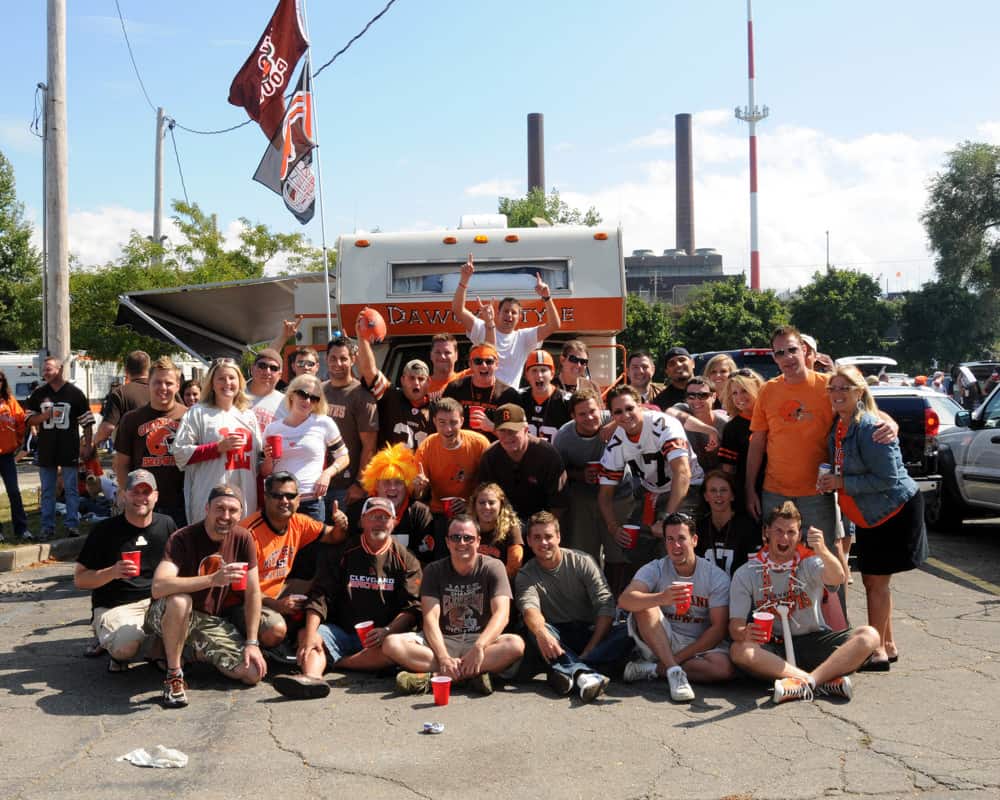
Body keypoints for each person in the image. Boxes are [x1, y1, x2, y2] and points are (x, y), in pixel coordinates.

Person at [745, 326, 897, 552]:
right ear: (774, 358)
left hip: (817, 493)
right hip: (774, 491)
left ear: (804, 350)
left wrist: (891, 424)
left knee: (825, 560)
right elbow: (757, 443)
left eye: (791, 350)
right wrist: (750, 489)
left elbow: (862, 408)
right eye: (779, 353)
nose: (787, 357)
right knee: (779, 560)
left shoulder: (827, 385)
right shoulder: (768, 391)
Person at [818, 366, 929, 669]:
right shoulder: (838, 426)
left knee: (875, 583)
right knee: (874, 583)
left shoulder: (869, 426)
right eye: (833, 388)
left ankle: (877, 651)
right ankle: (887, 644)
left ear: (859, 392)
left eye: (845, 388)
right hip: (869, 515)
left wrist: (842, 484)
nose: (838, 394)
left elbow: (889, 479)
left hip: (891, 511)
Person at [272, 496, 423, 699]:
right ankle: (311, 679)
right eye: (373, 517)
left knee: (394, 650)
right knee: (309, 636)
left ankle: (338, 662)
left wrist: (387, 630)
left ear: (394, 523)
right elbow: (320, 595)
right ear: (361, 522)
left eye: (384, 518)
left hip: (381, 638)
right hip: (341, 631)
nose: (379, 522)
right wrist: (308, 636)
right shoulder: (342, 552)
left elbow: (412, 608)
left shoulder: (407, 560)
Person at [728, 502, 878, 704]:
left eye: (791, 532)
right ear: (766, 532)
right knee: (739, 650)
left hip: (814, 640)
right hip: (773, 648)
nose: (784, 538)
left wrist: (823, 549)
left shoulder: (809, 563)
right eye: (778, 531)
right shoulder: (746, 572)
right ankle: (822, 681)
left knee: (870, 636)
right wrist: (744, 632)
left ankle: (807, 681)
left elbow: (837, 577)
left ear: (799, 536)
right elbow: (735, 626)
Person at [147, 485, 268, 708]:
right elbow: (158, 587)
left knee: (252, 673)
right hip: (169, 611)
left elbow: (253, 592)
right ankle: (174, 675)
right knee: (180, 600)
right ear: (206, 509)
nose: (225, 516)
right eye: (219, 509)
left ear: (241, 513)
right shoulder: (182, 538)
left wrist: (252, 642)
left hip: (207, 620)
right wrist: (212, 579)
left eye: (233, 510)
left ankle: (188, 649)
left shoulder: (243, 538)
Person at [383, 515, 526, 695]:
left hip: (480, 639)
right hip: (443, 640)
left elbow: (502, 614)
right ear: (447, 542)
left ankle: (433, 679)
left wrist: (479, 647)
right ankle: (470, 676)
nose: (462, 542)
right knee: (391, 644)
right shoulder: (434, 570)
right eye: (456, 537)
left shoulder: (493, 567)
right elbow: (430, 618)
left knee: (515, 645)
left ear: (478, 541)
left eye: (468, 538)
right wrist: (443, 657)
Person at [516, 512, 632, 702]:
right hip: (558, 637)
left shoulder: (582, 561)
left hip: (590, 631)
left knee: (630, 627)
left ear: (559, 537)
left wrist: (590, 649)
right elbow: (530, 610)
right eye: (537, 537)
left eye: (548, 536)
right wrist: (542, 634)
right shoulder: (526, 575)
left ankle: (568, 670)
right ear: (528, 540)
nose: (543, 543)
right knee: (535, 631)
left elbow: (605, 604)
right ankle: (587, 673)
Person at [619, 513, 734, 701]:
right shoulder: (656, 568)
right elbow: (625, 600)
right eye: (670, 539)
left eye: (682, 538)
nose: (676, 546)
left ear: (694, 540)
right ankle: (674, 673)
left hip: (697, 644)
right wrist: (662, 598)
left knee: (723, 669)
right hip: (662, 636)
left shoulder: (716, 577)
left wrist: (678, 658)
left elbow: (718, 629)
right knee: (645, 604)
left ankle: (655, 669)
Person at [240, 472, 349, 664]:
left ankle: (301, 637)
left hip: (277, 591)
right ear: (265, 498)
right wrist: (277, 605)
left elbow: (334, 537)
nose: (284, 501)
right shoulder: (247, 533)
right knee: (275, 630)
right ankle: (261, 646)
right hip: (245, 601)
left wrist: (341, 524)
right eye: (277, 495)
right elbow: (240, 589)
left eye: (290, 496)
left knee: (316, 582)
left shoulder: (298, 522)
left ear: (299, 499)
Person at [74, 469, 176, 671]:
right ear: (123, 495)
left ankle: (158, 650)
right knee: (125, 648)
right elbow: (79, 579)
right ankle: (120, 647)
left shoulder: (167, 524)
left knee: (184, 609)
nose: (140, 498)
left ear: (155, 496)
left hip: (155, 601)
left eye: (146, 492)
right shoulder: (104, 531)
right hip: (116, 606)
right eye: (134, 492)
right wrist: (112, 572)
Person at [599, 386, 703, 572]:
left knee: (673, 540)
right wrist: (614, 528)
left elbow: (683, 473)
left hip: (686, 487)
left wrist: (666, 519)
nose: (625, 415)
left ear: (641, 406)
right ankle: (644, 594)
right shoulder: (616, 443)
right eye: (618, 412)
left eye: (630, 408)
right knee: (634, 544)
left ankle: (682, 593)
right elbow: (604, 495)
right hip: (652, 492)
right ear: (612, 416)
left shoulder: (663, 424)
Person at [553, 389, 634, 592]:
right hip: (584, 497)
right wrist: (580, 475)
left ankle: (617, 601)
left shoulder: (615, 417)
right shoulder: (564, 436)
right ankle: (589, 600)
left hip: (619, 495)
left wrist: (615, 423)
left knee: (619, 551)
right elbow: (558, 471)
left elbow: (645, 411)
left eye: (593, 411)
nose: (589, 417)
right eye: (582, 414)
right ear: (573, 416)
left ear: (601, 408)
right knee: (584, 553)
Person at [172, 357, 261, 524]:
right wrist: (218, 448)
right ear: (212, 383)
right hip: (209, 493)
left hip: (245, 497)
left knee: (239, 545)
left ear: (240, 382)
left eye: (232, 378)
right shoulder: (198, 413)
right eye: (221, 378)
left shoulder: (249, 415)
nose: (227, 382)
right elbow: (179, 453)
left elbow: (258, 460)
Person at [451, 253, 561, 387]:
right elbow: (458, 309)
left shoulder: (524, 337)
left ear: (520, 317)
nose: (509, 315)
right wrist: (464, 279)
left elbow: (554, 325)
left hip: (509, 398)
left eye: (513, 312)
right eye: (505, 311)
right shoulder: (482, 327)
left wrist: (547, 297)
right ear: (498, 313)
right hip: (484, 393)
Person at [23, 356, 95, 540]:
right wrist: (44, 416)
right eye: (44, 370)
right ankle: (47, 527)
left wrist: (87, 445)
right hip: (47, 449)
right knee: (48, 490)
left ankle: (72, 525)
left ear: (60, 369)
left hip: (69, 448)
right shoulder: (39, 394)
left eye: (49, 369)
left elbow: (87, 423)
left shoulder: (74, 393)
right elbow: (28, 419)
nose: (45, 373)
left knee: (71, 489)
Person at [261, 373, 349, 522]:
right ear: (291, 395)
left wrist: (327, 474)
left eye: (314, 398)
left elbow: (343, 457)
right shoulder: (273, 429)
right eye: (303, 394)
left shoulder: (324, 423)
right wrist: (269, 459)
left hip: (311, 501)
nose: (307, 401)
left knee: (312, 546)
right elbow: (265, 471)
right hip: (280, 501)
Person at [113, 356, 188, 527]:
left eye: (169, 383)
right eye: (157, 382)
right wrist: (127, 493)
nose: (163, 388)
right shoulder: (131, 419)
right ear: (149, 384)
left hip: (181, 503)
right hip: (143, 501)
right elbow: (121, 463)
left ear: (177, 386)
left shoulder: (190, 416)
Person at [412, 398, 490, 561]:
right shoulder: (427, 447)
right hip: (439, 512)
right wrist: (419, 487)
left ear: (462, 421)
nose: (448, 429)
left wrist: (470, 503)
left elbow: (491, 487)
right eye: (442, 422)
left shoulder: (479, 444)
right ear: (434, 421)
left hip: (473, 511)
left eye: (453, 422)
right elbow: (418, 495)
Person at [478, 403, 566, 524]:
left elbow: (558, 503)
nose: (507, 436)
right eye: (502, 430)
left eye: (513, 431)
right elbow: (483, 497)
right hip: (503, 521)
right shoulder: (490, 456)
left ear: (525, 429)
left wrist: (545, 529)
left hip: (540, 522)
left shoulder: (547, 455)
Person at [354, 320, 434, 450]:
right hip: (391, 468)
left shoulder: (436, 409)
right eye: (411, 378)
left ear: (428, 382)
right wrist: (362, 338)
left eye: (421, 379)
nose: (416, 383)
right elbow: (370, 372)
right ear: (402, 380)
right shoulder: (391, 397)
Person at [350, 443, 435, 561]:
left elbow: (425, 556)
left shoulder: (419, 513)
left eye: (399, 482)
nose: (392, 488)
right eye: (386, 482)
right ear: (376, 485)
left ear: (407, 485)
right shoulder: (359, 510)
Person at [322, 335, 378, 511]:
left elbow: (369, 446)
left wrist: (360, 484)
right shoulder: (318, 391)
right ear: (326, 359)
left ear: (353, 360)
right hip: (316, 484)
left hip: (345, 487)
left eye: (343, 358)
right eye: (333, 358)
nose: (337, 363)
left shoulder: (361, 396)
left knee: (343, 536)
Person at [694, 470, 761, 579]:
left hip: (739, 591)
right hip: (708, 592)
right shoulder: (699, 528)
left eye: (724, 490)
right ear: (706, 496)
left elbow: (755, 570)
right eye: (713, 490)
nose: (718, 495)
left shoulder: (748, 527)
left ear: (732, 496)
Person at [717, 368, 766, 514]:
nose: (739, 397)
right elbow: (728, 470)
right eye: (734, 393)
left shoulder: (773, 418)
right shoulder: (732, 427)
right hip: (749, 493)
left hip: (777, 488)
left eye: (744, 391)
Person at [442, 343, 520, 434]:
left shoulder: (509, 395)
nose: (484, 365)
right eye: (478, 361)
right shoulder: (455, 388)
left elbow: (515, 435)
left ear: (496, 364)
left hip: (494, 447)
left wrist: (491, 427)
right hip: (462, 445)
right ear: (470, 364)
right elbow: (441, 421)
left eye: (489, 361)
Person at [87, 350, 150, 460]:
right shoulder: (162, 391)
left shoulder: (120, 393)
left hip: (131, 458)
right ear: (149, 369)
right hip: (161, 456)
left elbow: (107, 428)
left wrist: (93, 442)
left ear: (126, 370)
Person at [671, 376, 729, 474]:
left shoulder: (725, 424)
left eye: (703, 395)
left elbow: (729, 464)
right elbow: (670, 413)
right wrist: (710, 430)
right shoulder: (683, 409)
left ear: (714, 397)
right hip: (690, 478)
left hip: (718, 478)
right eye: (691, 396)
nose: (697, 400)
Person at [468, 482, 524, 578]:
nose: (487, 507)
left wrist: (489, 581)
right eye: (482, 503)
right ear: (474, 505)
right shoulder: (465, 527)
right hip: (470, 582)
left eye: (491, 502)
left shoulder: (512, 528)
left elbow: (514, 567)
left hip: (500, 582)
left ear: (501, 505)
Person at [517, 349, 571, 442]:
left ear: (552, 374)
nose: (539, 375)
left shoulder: (567, 401)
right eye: (534, 370)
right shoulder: (518, 397)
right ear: (527, 375)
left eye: (543, 370)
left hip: (557, 455)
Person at [0, 369, 28, 542]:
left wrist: (17, 441)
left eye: (0, 379)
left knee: (13, 491)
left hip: (7, 455)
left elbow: (21, 421)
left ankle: (22, 529)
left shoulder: (10, 401)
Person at [246, 348, 288, 433]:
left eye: (273, 368)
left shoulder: (286, 403)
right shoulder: (234, 395)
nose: (267, 372)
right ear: (252, 369)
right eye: (262, 366)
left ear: (280, 375)